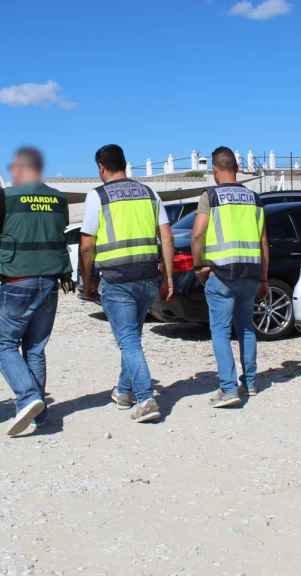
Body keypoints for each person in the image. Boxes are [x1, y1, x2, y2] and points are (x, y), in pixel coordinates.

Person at [0, 146, 74, 436]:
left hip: (17, 281)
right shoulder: (58, 199)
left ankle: (29, 397)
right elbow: (58, 236)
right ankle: (38, 416)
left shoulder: (5, 198)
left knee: (4, 343)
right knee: (35, 347)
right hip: (50, 282)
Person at [79, 144, 174, 423]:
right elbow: (166, 237)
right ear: (125, 163)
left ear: (101, 167)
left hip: (117, 279)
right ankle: (123, 391)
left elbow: (86, 246)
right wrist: (168, 277)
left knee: (128, 341)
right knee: (131, 336)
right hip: (148, 277)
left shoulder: (98, 196)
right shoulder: (149, 193)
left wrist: (88, 282)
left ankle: (145, 398)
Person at [191, 147, 269, 408]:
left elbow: (198, 235)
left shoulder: (210, 196)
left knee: (221, 331)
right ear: (236, 167)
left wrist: (198, 266)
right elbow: (263, 242)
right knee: (246, 328)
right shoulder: (255, 198)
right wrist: (264, 279)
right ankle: (250, 382)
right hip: (250, 273)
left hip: (221, 273)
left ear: (215, 171)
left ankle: (228, 388)